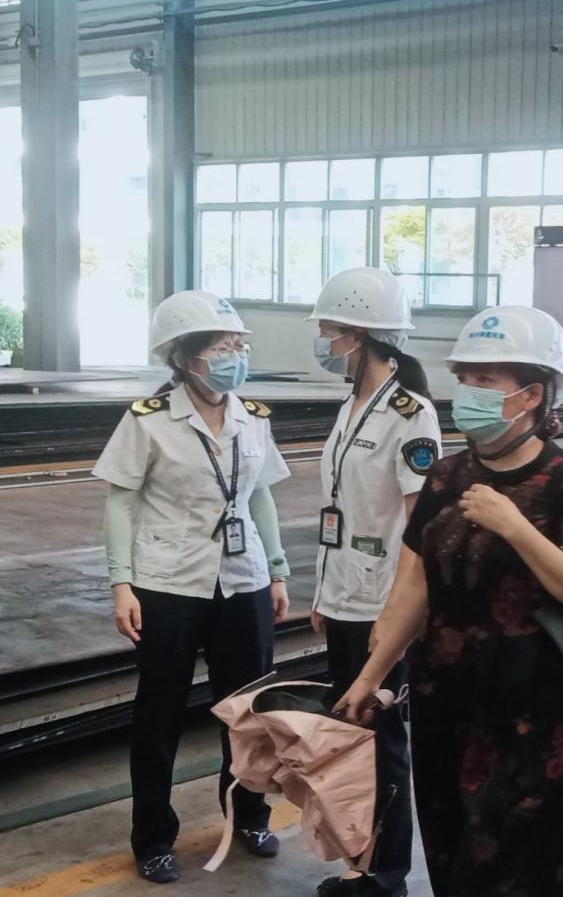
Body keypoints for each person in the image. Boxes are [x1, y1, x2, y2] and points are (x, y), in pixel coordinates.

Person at [335, 305, 563, 897]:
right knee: (453, 847)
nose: (468, 392)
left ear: (532, 394)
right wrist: (370, 676)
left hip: (532, 710)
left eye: (486, 380)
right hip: (445, 698)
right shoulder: (444, 477)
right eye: (464, 378)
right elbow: (414, 587)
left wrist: (515, 527)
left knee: (524, 861)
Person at [93, 291, 293, 885]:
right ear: (184, 357)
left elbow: (260, 496)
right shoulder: (148, 419)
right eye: (222, 347)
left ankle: (250, 815)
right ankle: (154, 837)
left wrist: (277, 569)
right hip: (168, 583)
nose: (235, 356)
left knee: (249, 712)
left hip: (243, 580)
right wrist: (121, 583)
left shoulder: (252, 417)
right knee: (159, 715)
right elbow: (120, 503)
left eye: (239, 345)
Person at [308, 268, 442, 897]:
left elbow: (420, 529)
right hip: (344, 597)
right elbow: (341, 511)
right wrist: (323, 594)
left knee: (381, 741)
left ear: (359, 336)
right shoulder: (351, 406)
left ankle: (386, 876)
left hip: (382, 604)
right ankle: (360, 864)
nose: (323, 342)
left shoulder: (410, 415)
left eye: (329, 331)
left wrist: (397, 615)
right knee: (352, 737)